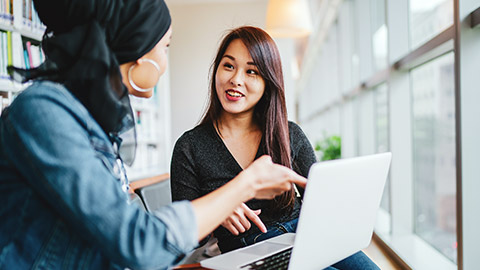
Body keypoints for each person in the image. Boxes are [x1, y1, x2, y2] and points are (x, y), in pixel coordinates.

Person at [0, 1, 307, 269]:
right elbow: (137, 241)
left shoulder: (89, 122)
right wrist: (245, 185)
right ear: (136, 48)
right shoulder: (43, 113)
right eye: (165, 47)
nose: (163, 63)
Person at [170, 26, 380, 269]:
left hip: (307, 232)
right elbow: (185, 239)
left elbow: (321, 200)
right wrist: (219, 209)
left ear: (268, 82)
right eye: (228, 65)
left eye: (252, 71)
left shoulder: (289, 133)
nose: (236, 79)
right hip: (251, 249)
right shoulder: (189, 147)